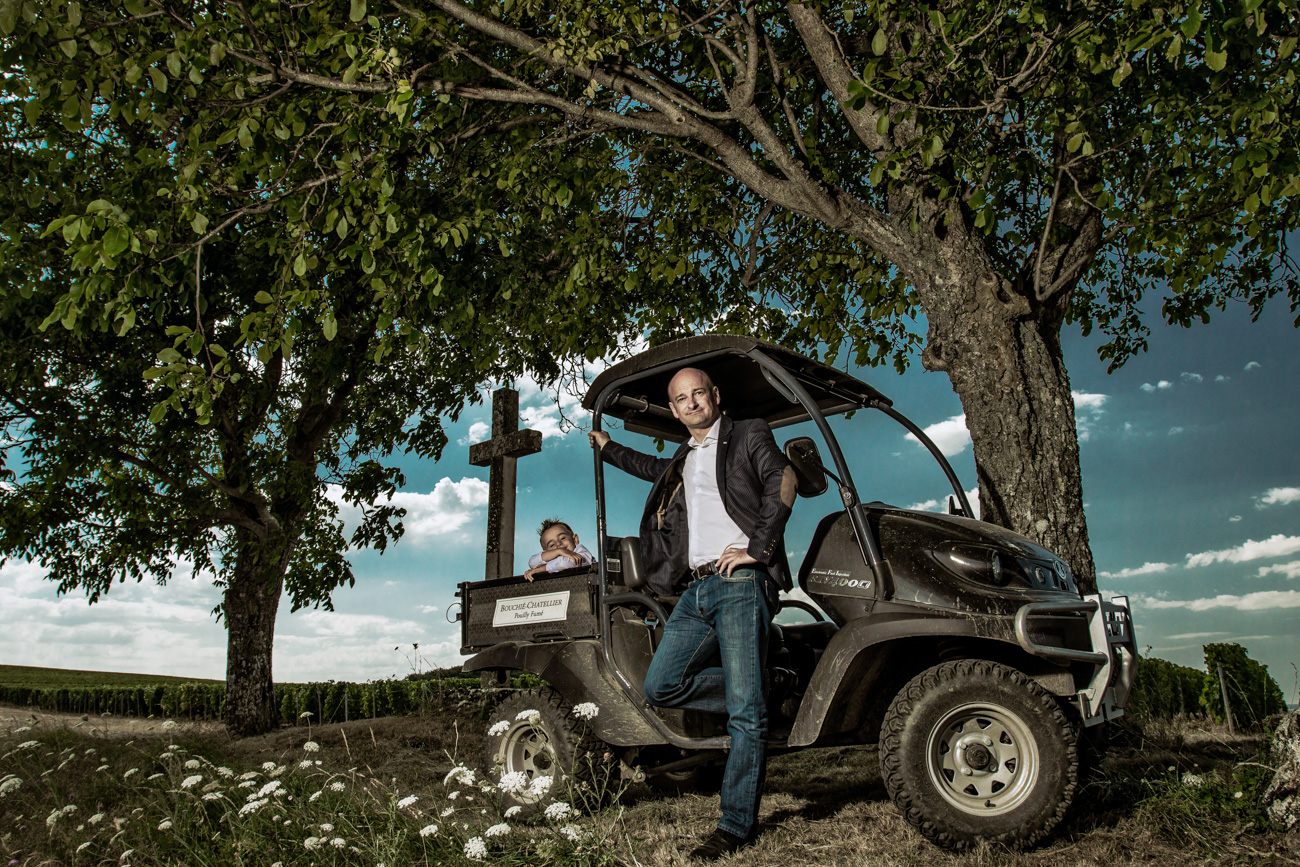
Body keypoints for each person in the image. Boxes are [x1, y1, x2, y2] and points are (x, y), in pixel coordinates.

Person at [588, 366, 794, 860]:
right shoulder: (683, 457)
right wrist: (606, 447)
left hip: (742, 582)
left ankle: (734, 825)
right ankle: (770, 684)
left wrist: (757, 549)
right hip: (696, 589)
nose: (692, 403)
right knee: (661, 685)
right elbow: (646, 467)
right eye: (682, 399)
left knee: (745, 714)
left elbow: (781, 480)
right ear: (675, 409)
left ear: (715, 395)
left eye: (699, 392)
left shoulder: (748, 433)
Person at [523, 518, 595, 581]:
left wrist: (541, 569)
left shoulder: (581, 552)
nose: (558, 544)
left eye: (563, 538)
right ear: (548, 552)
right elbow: (532, 562)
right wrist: (558, 552)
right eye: (552, 545)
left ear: (575, 539)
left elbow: (564, 563)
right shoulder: (553, 561)